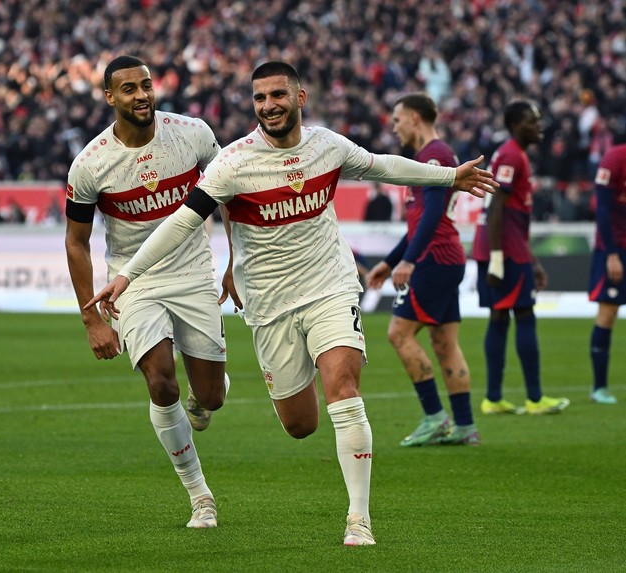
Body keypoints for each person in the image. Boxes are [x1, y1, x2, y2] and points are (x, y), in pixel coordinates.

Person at [86, 61, 498, 546]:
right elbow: (183, 220)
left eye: (278, 95)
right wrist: (128, 274)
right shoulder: (234, 163)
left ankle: (358, 519)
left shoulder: (327, 145)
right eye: (260, 98)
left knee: (343, 387)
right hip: (271, 305)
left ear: (299, 97)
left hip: (330, 285)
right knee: (300, 425)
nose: (269, 106)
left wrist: (449, 177)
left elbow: (383, 164)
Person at [64, 55, 230, 529]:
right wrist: (91, 318)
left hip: (194, 273)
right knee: (161, 380)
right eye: (129, 89)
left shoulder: (192, 134)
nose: (141, 95)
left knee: (211, 397)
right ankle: (201, 497)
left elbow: (229, 195)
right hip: (132, 282)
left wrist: (237, 261)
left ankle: (209, 394)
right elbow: (76, 243)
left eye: (146, 85)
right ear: (109, 97)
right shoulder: (91, 164)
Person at [366, 93, 479, 447]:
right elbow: (418, 223)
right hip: (446, 256)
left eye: (397, 120)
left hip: (433, 259)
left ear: (415, 118)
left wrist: (410, 260)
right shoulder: (434, 156)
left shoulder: (433, 156)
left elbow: (431, 216)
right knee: (445, 343)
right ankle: (464, 426)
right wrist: (389, 261)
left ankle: (435, 417)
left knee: (399, 334)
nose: (394, 127)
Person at [472, 100, 570, 416]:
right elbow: (496, 207)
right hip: (506, 252)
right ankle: (535, 398)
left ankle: (493, 398)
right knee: (524, 315)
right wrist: (499, 258)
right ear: (516, 125)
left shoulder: (512, 153)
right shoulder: (513, 154)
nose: (538, 125)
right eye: (532, 120)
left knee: (500, 318)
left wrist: (534, 263)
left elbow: (510, 215)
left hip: (506, 248)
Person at [587, 142, 626, 404]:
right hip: (615, 248)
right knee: (608, 311)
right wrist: (611, 253)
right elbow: (601, 208)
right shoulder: (615, 158)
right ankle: (599, 387)